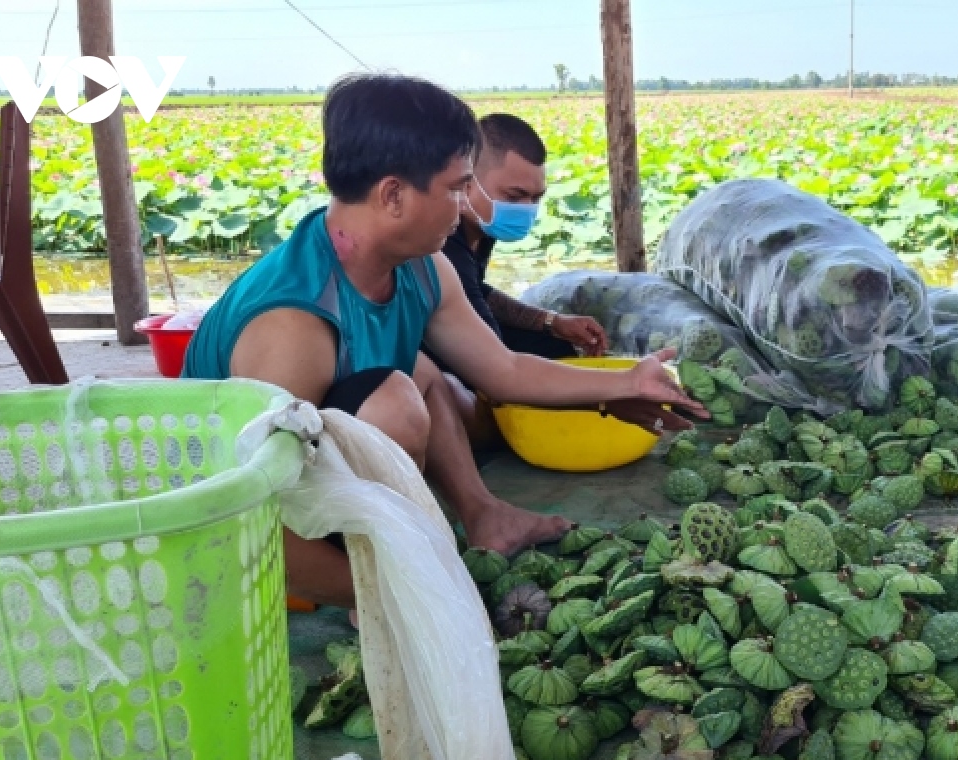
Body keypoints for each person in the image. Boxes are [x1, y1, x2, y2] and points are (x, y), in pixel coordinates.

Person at [182, 74, 704, 607]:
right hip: (218, 504)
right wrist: (405, 602)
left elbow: (502, 369)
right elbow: (251, 514)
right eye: (456, 188)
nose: (462, 207)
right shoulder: (292, 326)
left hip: (304, 458)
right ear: (393, 196)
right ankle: (364, 578)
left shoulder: (422, 266)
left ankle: (484, 515)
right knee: (393, 403)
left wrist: (622, 385)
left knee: (420, 370)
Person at [430, 113, 681, 443]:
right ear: (467, 182)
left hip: (466, 334)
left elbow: (475, 290)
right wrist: (608, 395)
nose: (526, 209)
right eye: (515, 196)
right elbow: (495, 362)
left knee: (551, 343)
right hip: (440, 360)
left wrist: (550, 321)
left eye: (536, 199)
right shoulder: (442, 244)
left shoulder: (482, 226)